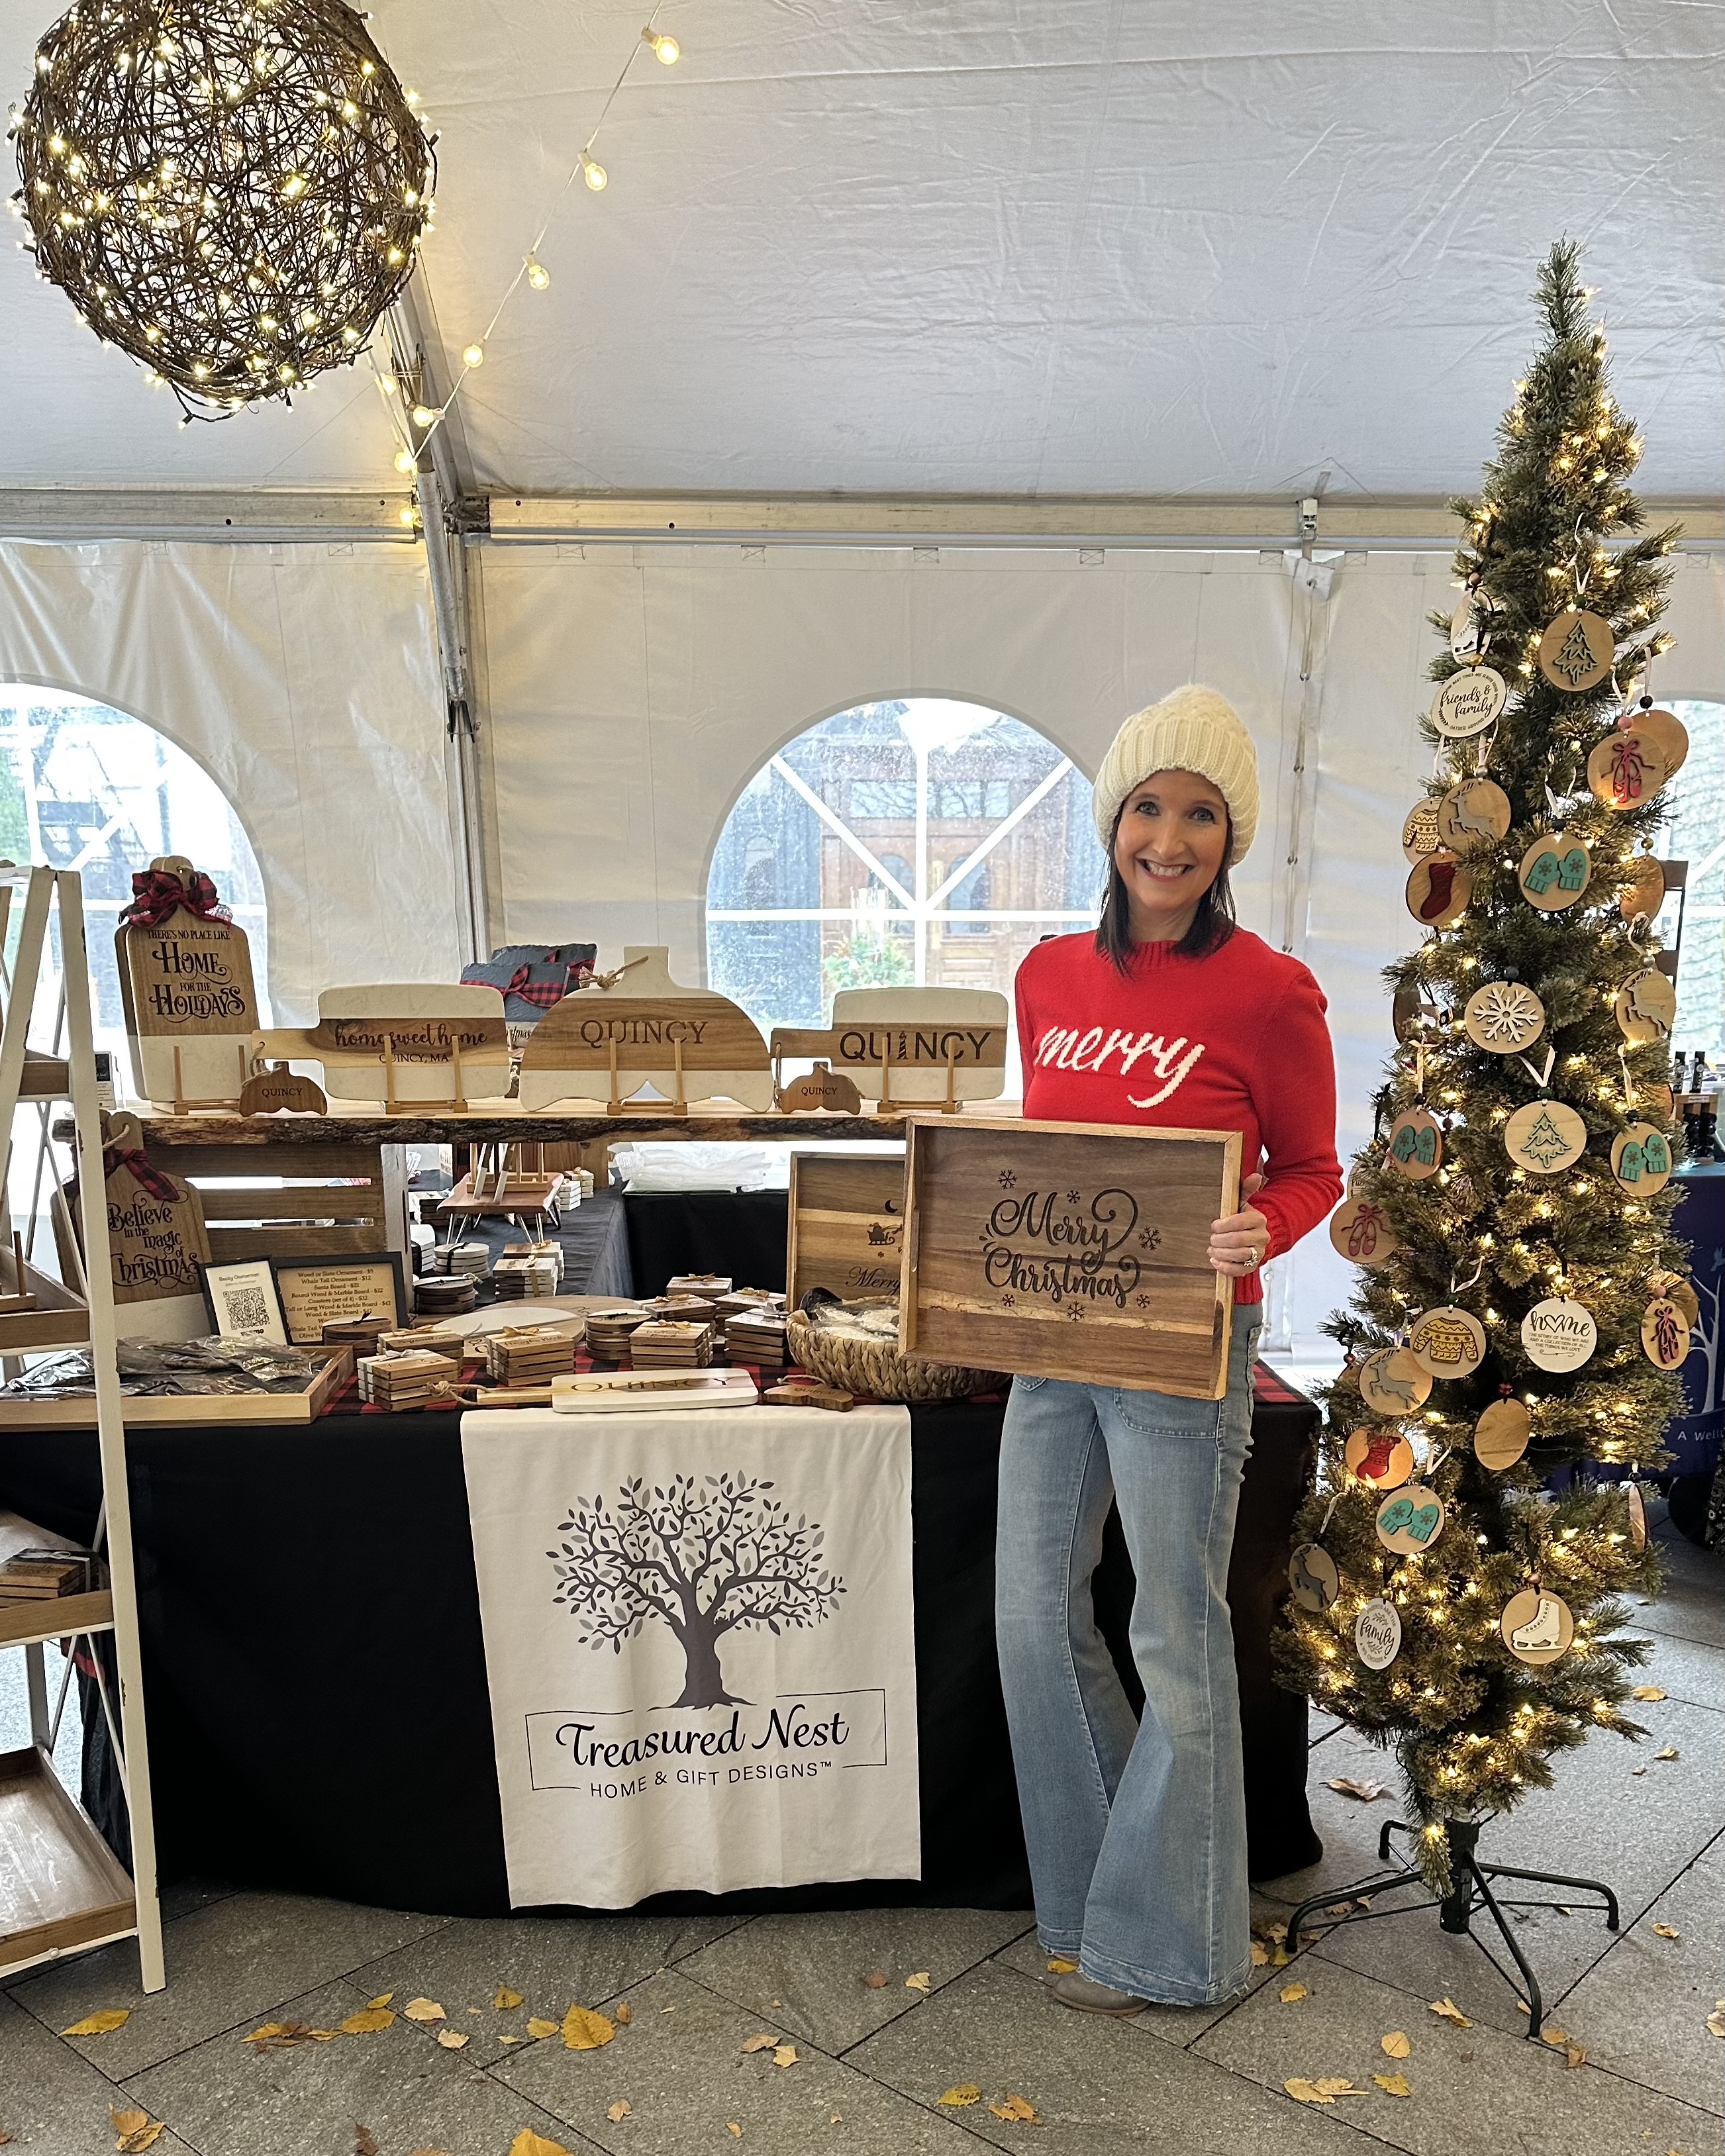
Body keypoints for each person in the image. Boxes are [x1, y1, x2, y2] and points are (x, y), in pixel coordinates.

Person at [997, 683, 1342, 2014]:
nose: (1170, 834)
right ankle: (1093, 1905)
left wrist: (1260, 1225)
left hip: (1187, 1338)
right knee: (1033, 1616)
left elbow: (1311, 1166)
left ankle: (1177, 1947)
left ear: (1229, 839)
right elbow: (1041, 1153)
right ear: (1112, 822)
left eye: (1200, 812)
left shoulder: (1271, 991)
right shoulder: (1046, 974)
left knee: (1174, 1628)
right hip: (1051, 1332)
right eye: (1149, 805)